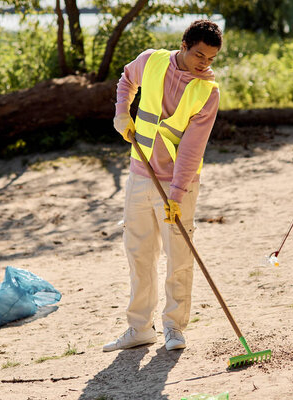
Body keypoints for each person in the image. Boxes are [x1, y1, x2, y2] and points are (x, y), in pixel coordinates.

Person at [103, 20, 222, 352]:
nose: (204, 64)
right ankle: (140, 327)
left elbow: (191, 148)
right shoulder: (152, 60)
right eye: (199, 55)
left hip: (177, 184)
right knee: (139, 253)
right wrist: (122, 113)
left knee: (178, 256)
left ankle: (174, 327)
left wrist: (177, 194)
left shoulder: (207, 91)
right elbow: (127, 79)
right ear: (183, 45)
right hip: (140, 172)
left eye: (211, 59)